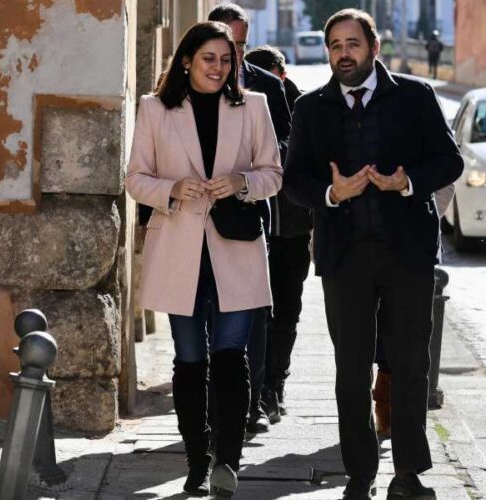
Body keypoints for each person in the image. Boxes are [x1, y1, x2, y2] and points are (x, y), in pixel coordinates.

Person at [283, 9, 463, 500]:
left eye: (353, 44)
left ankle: (408, 474)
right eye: (336, 45)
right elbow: (293, 179)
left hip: (408, 254)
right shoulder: (311, 108)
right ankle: (359, 474)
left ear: (374, 47)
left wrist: (407, 182)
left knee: (410, 365)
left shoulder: (416, 96)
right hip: (345, 257)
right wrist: (331, 193)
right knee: (350, 369)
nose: (344, 53)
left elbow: (450, 160)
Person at [124, 21, 282, 497]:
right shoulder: (155, 109)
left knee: (232, 358)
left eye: (226, 59)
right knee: (190, 360)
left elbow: (274, 173)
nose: (218, 67)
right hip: (178, 249)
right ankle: (196, 460)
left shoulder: (253, 106)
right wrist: (170, 189)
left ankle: (227, 461)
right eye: (209, 58)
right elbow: (135, 178)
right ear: (187, 60)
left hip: (235, 248)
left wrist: (242, 183)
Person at [208, 3, 294, 434]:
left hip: (246, 216)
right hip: (198, 221)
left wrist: (245, 165)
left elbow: (280, 148)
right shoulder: (185, 86)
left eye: (241, 45)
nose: (235, 55)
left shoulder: (265, 88)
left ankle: (254, 400)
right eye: (227, 45)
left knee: (256, 311)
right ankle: (213, 404)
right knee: (206, 312)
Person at [244, 44, 312, 423]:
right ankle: (253, 388)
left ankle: (275, 384)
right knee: (255, 312)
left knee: (286, 311)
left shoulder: (302, 107)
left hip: (291, 229)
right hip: (256, 228)